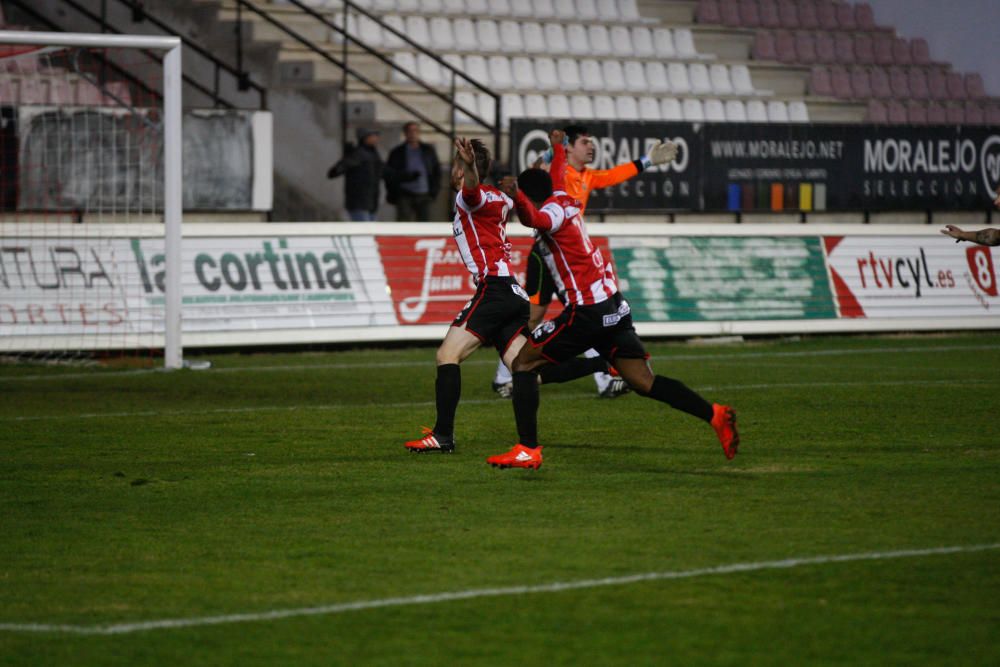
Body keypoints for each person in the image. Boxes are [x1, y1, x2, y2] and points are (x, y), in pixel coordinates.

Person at [486, 131, 738, 470]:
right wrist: (558, 146)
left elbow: (534, 219)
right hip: (613, 307)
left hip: (587, 311)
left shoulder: (550, 214)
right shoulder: (562, 194)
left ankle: (527, 449)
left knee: (523, 364)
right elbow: (558, 172)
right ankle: (715, 415)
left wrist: (516, 197)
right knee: (643, 382)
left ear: (530, 197)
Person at [405, 138, 616, 454]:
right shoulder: (501, 197)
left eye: (457, 165)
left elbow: (472, 189)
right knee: (527, 369)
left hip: (494, 289)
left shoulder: (470, 196)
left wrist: (471, 168)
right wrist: (546, 158)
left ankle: (443, 435)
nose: (454, 170)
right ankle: (602, 362)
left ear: (466, 169)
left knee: (447, 356)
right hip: (513, 294)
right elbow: (514, 186)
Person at [490, 124, 679, 399]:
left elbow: (614, 175)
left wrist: (647, 160)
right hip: (548, 257)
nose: (591, 147)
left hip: (574, 261)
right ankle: (506, 374)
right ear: (569, 148)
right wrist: (549, 154)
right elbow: (532, 179)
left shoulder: (587, 176)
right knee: (537, 316)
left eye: (592, 142)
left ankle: (604, 378)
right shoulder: (557, 172)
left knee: (588, 316)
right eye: (585, 142)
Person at [385, 121, 443, 221]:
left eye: (415, 131)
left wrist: (434, 191)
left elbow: (436, 171)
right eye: (410, 131)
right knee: (404, 222)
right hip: (404, 194)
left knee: (424, 222)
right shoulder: (397, 152)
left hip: (424, 194)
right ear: (405, 133)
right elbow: (390, 174)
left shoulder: (428, 150)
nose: (413, 134)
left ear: (419, 132)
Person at [327, 127, 384, 222]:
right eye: (373, 136)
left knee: (370, 232)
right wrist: (342, 165)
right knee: (365, 232)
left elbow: (384, 171)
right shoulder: (358, 154)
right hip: (359, 203)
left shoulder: (373, 155)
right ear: (364, 138)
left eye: (376, 136)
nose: (376, 138)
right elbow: (337, 170)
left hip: (371, 203)